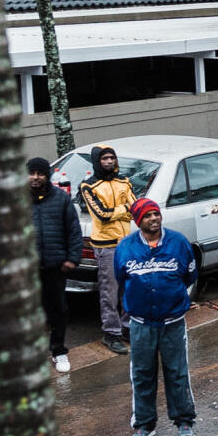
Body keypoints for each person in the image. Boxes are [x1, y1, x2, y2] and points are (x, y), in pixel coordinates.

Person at [117, 197, 197, 436]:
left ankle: (184, 422)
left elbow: (189, 275)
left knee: (177, 372)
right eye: (147, 216)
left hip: (173, 322)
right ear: (138, 220)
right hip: (141, 324)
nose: (153, 219)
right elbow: (122, 280)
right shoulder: (126, 247)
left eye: (156, 214)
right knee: (142, 374)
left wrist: (170, 298)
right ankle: (144, 425)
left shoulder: (179, 242)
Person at [27, 157, 85, 373]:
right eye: (31, 173)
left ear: (47, 176)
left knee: (58, 310)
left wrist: (72, 258)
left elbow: (74, 230)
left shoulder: (61, 199)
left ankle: (58, 351)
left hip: (55, 266)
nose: (35, 177)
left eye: (40, 173)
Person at [80, 145, 137, 355]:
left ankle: (127, 328)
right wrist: (124, 210)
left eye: (112, 157)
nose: (109, 161)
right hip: (106, 245)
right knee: (109, 292)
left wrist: (123, 211)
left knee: (128, 288)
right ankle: (110, 334)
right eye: (104, 159)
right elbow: (102, 215)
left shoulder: (124, 181)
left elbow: (136, 209)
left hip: (126, 242)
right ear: (97, 162)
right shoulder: (88, 186)